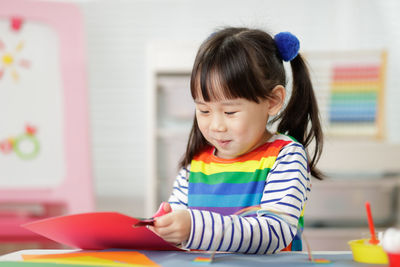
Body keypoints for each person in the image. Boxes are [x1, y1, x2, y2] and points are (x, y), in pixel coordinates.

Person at [151, 26, 324, 254]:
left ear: (272, 101)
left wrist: (195, 227)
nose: (216, 126)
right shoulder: (196, 163)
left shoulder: (286, 156)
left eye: (230, 112)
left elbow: (274, 232)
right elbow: (177, 224)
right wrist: (166, 228)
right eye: (204, 110)